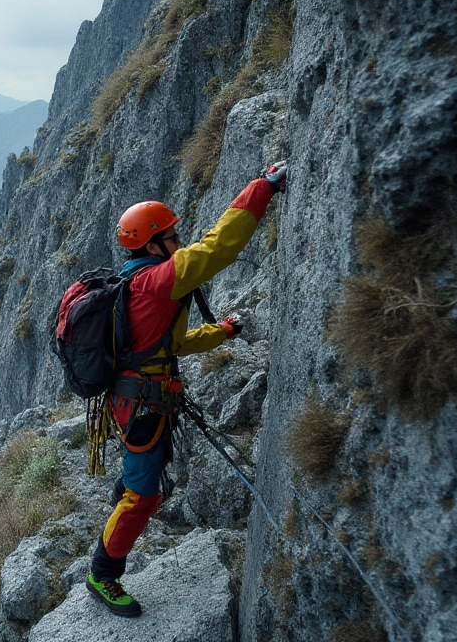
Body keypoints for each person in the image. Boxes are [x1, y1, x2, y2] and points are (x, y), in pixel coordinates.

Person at [85, 165, 287, 617]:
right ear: (153, 243)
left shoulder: (133, 281)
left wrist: (222, 332)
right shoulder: (158, 282)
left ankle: (124, 495)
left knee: (138, 478)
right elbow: (218, 247)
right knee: (145, 496)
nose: (178, 240)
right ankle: (102, 574)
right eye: (171, 235)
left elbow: (173, 343)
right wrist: (263, 187)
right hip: (141, 406)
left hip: (131, 400)